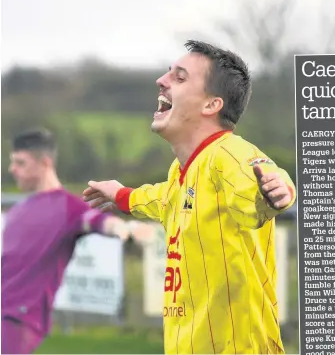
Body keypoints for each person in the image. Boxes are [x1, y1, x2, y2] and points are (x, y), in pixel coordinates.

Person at [83, 40, 296, 354]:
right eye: (168, 73)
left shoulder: (229, 153)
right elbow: (162, 198)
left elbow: (258, 185)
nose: (162, 80)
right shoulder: (181, 172)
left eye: (179, 78)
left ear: (211, 105)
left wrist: (276, 192)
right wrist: (123, 196)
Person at [1, 128, 134, 354]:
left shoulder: (68, 207)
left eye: (20, 163)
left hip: (19, 319)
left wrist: (126, 229)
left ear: (44, 163)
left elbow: (102, 222)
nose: (12, 169)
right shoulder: (18, 211)